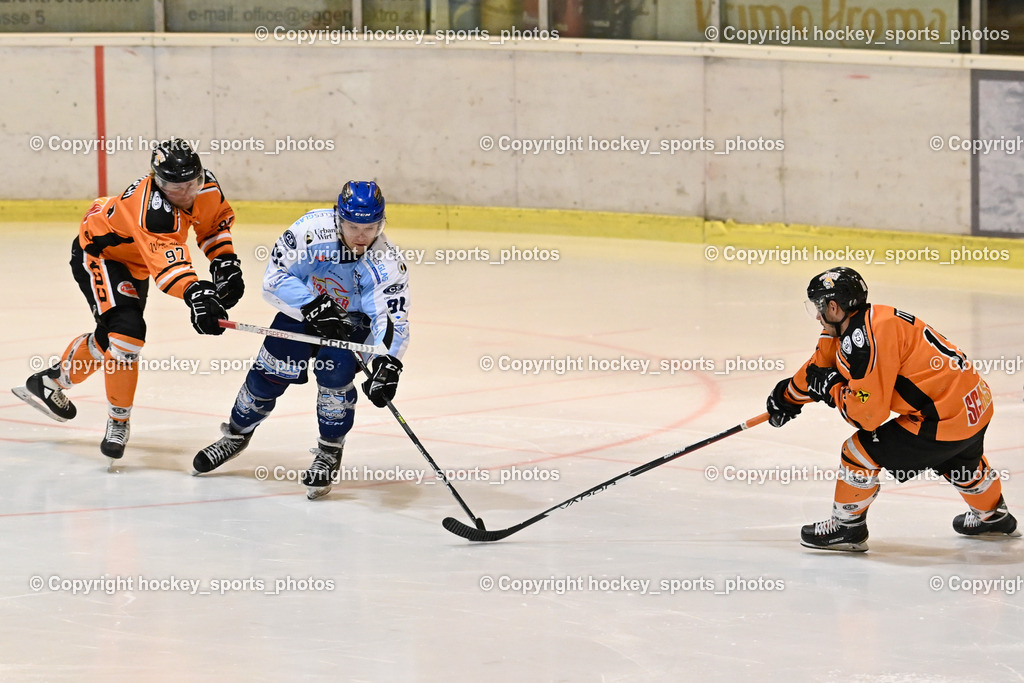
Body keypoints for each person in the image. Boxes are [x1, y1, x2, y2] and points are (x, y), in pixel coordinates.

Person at [12, 138, 242, 461]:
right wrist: (196, 293)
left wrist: (225, 262)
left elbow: (212, 225)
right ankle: (118, 422)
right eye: (176, 187)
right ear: (158, 182)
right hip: (99, 253)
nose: (187, 193)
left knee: (112, 336)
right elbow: (170, 266)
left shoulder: (206, 187)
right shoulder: (152, 210)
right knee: (127, 332)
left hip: (134, 261)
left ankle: (50, 382)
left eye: (192, 183)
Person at [765, 266, 1018, 551]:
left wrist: (832, 389)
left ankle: (847, 528)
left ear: (833, 306)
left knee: (858, 452)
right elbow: (822, 363)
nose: (818, 315)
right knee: (961, 462)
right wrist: (788, 395)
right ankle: (993, 516)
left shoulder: (863, 343)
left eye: (819, 307)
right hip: (974, 403)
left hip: (944, 416)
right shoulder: (869, 319)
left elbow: (868, 415)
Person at [192, 181, 410, 501]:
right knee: (267, 375)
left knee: (334, 377)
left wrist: (387, 364)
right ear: (338, 218)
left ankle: (329, 450)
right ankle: (237, 435)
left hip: (350, 324)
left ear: (381, 223)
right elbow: (273, 279)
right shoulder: (311, 231)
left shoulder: (387, 263)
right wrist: (310, 304)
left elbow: (391, 320)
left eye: (371, 227)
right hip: (302, 313)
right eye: (352, 226)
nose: (361, 236)